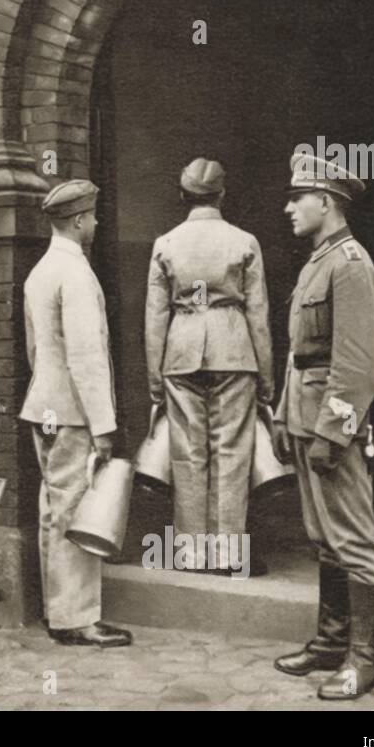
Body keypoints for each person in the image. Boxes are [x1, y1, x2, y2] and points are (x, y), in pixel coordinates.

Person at [272, 153, 374, 700]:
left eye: (299, 197)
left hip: (331, 419)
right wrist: (281, 414)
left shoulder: (349, 264)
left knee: (354, 538)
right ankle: (331, 641)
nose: (289, 206)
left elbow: (359, 363)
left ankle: (365, 659)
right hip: (303, 412)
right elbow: (299, 352)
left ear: (327, 202)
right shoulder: (316, 261)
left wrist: (334, 432)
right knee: (323, 535)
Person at [144, 158, 272, 574]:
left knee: (188, 453)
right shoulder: (245, 241)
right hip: (234, 349)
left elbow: (155, 317)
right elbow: (258, 315)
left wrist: (154, 381)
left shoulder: (165, 243)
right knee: (233, 452)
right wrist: (267, 379)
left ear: (183, 196)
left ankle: (192, 553)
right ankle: (230, 555)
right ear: (222, 194)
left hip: (180, 352)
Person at [21, 180, 132, 648]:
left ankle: (58, 610)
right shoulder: (78, 275)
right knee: (75, 510)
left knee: (54, 507)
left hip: (44, 405)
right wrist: (103, 424)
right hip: (72, 412)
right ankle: (74, 618)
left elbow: (34, 350)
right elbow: (87, 357)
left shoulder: (39, 271)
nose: (98, 223)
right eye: (94, 216)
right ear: (80, 220)